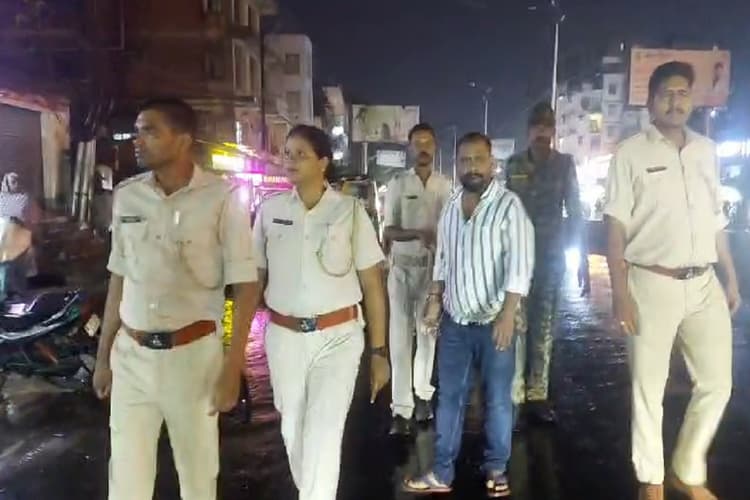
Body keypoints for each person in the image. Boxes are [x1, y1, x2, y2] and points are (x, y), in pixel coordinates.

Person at [92, 98, 260, 500]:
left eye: (150, 131)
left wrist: (232, 365)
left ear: (183, 139)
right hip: (132, 356)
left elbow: (246, 286)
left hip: (193, 359)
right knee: (126, 482)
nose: (137, 140)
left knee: (198, 479)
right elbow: (119, 278)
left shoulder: (221, 198)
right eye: (137, 131)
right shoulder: (128, 196)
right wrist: (103, 357)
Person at [604, 61, 740, 500]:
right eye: (666, 93)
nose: (675, 101)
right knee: (648, 386)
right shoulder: (630, 154)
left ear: (693, 100)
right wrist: (620, 292)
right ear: (650, 102)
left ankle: (687, 467)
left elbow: (716, 220)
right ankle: (652, 479)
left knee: (717, 383)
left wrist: (730, 277)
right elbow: (615, 226)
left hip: (704, 284)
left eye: (683, 93)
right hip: (650, 283)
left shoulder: (707, 150)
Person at [253, 125, 390, 500]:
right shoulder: (270, 211)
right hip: (284, 340)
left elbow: (373, 286)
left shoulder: (350, 212)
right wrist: (233, 353)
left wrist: (379, 352)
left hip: (338, 339)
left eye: (301, 154)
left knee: (323, 433)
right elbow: (254, 279)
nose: (291, 160)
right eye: (287, 153)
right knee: (294, 433)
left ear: (323, 162)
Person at [403, 132, 534, 498]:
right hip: (456, 322)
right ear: (457, 164)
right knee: (450, 398)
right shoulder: (451, 206)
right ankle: (442, 471)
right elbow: (443, 258)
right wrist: (435, 299)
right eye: (464, 160)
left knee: (497, 399)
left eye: (478, 159)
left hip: (495, 323)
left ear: (492, 164)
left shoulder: (509, 206)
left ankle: (497, 469)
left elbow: (520, 264)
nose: (471, 166)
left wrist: (509, 314)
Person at [504, 102, 589, 424]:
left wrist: (581, 257)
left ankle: (537, 394)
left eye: (548, 126)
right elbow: (503, 212)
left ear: (554, 131)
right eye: (537, 126)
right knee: (516, 325)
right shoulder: (513, 164)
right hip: (517, 259)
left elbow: (576, 212)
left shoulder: (564, 165)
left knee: (544, 328)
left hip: (550, 258)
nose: (542, 132)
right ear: (529, 131)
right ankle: (514, 393)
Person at [383, 122, 452, 435]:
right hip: (400, 270)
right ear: (410, 148)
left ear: (435, 147)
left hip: (431, 271)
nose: (423, 148)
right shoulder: (398, 183)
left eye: (428, 142)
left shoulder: (445, 187)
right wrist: (416, 233)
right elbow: (389, 230)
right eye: (417, 143)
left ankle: (423, 396)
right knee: (399, 340)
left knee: (427, 334)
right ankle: (400, 409)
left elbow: (452, 230)